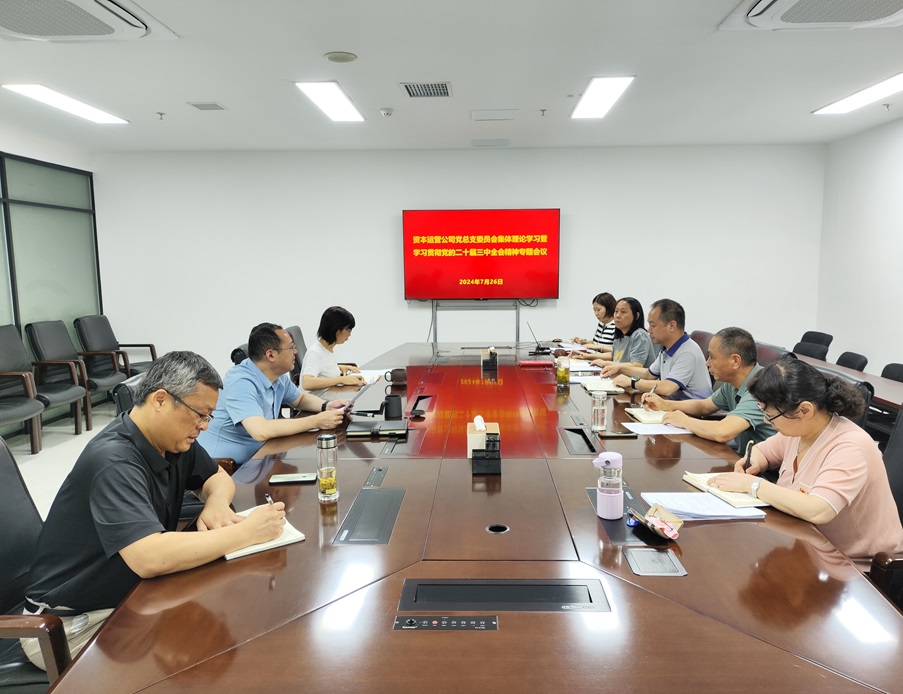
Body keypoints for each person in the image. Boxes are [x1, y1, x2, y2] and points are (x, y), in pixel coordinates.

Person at [22, 351, 287, 670]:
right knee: (197, 655)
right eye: (200, 415)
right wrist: (246, 532)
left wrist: (215, 504)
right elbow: (148, 557)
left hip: (129, 594)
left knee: (225, 617)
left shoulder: (172, 441)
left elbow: (217, 477)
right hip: (67, 623)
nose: (204, 426)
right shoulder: (114, 461)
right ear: (160, 400)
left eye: (209, 417)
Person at [710, 357, 903, 570]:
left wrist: (753, 485)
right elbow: (762, 451)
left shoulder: (850, 446)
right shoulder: (800, 429)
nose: (766, 421)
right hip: (806, 544)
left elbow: (818, 509)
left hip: (853, 566)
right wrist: (753, 461)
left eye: (770, 415)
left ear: (804, 410)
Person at [197, 323, 347, 464]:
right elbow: (260, 431)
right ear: (271, 355)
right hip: (227, 466)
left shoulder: (277, 376)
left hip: (262, 454)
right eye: (291, 348)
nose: (295, 352)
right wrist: (316, 421)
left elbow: (300, 399)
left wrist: (327, 406)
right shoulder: (240, 382)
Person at [642, 327, 777, 450]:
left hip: (766, 467)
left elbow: (723, 432)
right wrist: (665, 404)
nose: (707, 363)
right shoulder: (732, 383)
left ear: (735, 361)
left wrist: (683, 420)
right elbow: (703, 406)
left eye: (712, 357)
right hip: (743, 457)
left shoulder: (761, 388)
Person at [606, 298, 712, 401]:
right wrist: (619, 368)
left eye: (653, 325)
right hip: (673, 404)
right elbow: (648, 374)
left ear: (672, 326)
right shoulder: (667, 348)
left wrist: (632, 382)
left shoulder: (687, 352)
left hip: (692, 410)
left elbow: (667, 388)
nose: (649, 330)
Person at [301, 306, 364, 390]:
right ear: (336, 329)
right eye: (348, 329)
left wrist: (339, 368)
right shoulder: (315, 353)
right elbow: (307, 383)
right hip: (317, 397)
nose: (350, 334)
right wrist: (341, 380)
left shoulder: (327, 349)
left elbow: (323, 369)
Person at [587, 297, 655, 369]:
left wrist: (605, 363)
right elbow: (614, 357)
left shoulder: (639, 335)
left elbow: (637, 365)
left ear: (636, 316)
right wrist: (588, 356)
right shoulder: (620, 335)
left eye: (623, 312)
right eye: (616, 311)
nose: (617, 315)